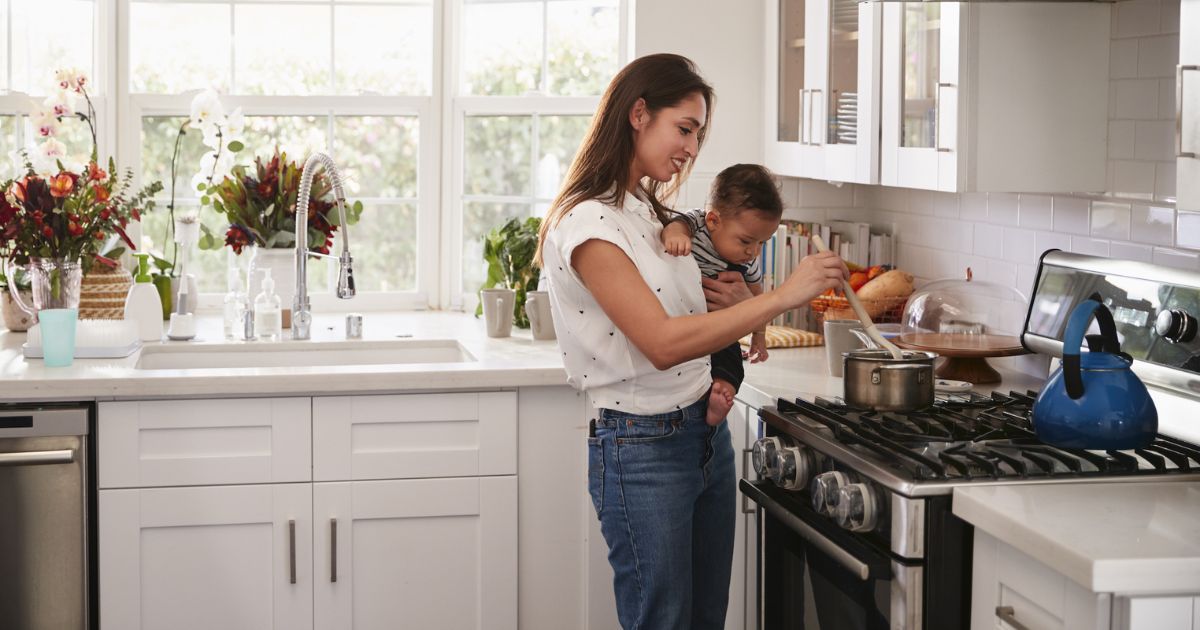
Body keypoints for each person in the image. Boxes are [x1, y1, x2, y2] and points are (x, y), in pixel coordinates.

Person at [535, 53, 848, 630]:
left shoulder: (649, 211)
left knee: (705, 618)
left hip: (701, 434)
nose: (692, 148)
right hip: (641, 446)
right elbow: (659, 341)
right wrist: (776, 298)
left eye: (699, 134)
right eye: (684, 128)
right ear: (637, 114)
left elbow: (680, 311)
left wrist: (726, 305)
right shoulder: (588, 224)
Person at [660, 163, 783, 426]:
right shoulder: (696, 223)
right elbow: (675, 225)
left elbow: (758, 298)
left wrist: (759, 335)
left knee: (731, 360)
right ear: (713, 220)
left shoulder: (747, 261)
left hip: (720, 328)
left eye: (762, 242)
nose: (754, 252)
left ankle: (722, 391)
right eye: (746, 241)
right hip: (685, 324)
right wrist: (676, 237)